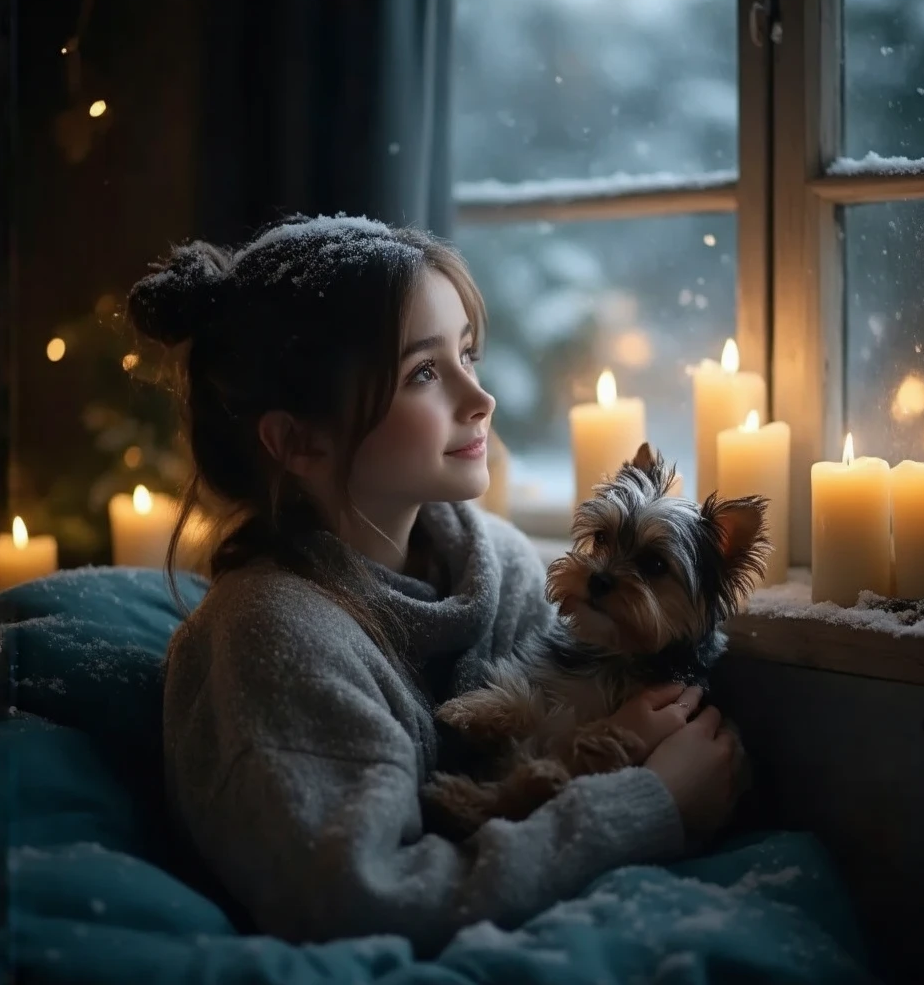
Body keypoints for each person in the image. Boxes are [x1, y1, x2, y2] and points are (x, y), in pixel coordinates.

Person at [129, 213, 746, 958]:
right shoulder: (273, 636)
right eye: (424, 372)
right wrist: (651, 802)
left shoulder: (504, 564)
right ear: (297, 441)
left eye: (468, 355)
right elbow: (363, 900)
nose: (479, 397)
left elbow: (531, 776)